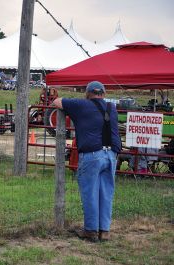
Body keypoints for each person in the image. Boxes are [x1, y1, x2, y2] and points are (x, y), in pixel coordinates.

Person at [53, 81, 121, 242]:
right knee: (106, 194)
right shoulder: (112, 108)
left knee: (90, 193)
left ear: (87, 93)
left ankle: (90, 231)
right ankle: (104, 231)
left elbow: (57, 101)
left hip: (92, 154)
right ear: (103, 94)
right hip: (111, 154)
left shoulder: (81, 105)